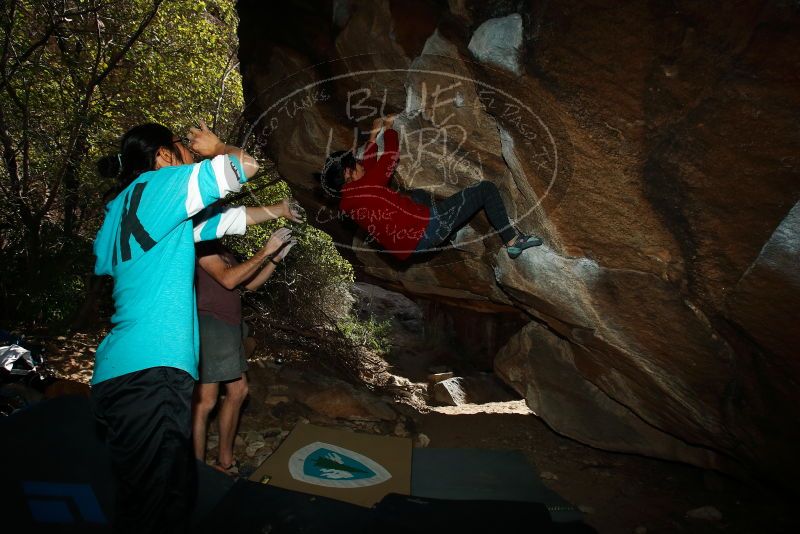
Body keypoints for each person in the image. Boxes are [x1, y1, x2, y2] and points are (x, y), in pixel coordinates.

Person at [91, 120, 268, 533]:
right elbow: (246, 165)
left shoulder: (120, 211)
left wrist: (278, 214)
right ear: (163, 156)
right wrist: (216, 147)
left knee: (169, 496)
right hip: (151, 372)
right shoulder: (160, 185)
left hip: (122, 374)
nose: (189, 155)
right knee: (152, 510)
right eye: (182, 148)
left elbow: (225, 223)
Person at [320, 115, 543, 261]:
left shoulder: (351, 199)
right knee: (486, 189)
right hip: (428, 231)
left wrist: (372, 136)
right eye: (354, 164)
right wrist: (388, 129)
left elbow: (368, 169)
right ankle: (513, 241)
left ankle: (452, 229)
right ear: (348, 174)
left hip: (411, 248)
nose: (359, 163)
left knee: (416, 196)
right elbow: (389, 157)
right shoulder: (366, 186)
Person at [192, 212, 298, 476]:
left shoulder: (222, 251)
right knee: (206, 401)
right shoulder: (201, 246)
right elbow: (228, 280)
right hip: (211, 324)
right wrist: (266, 249)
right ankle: (197, 470)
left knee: (237, 392)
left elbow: (247, 285)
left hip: (229, 326)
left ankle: (225, 461)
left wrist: (275, 258)